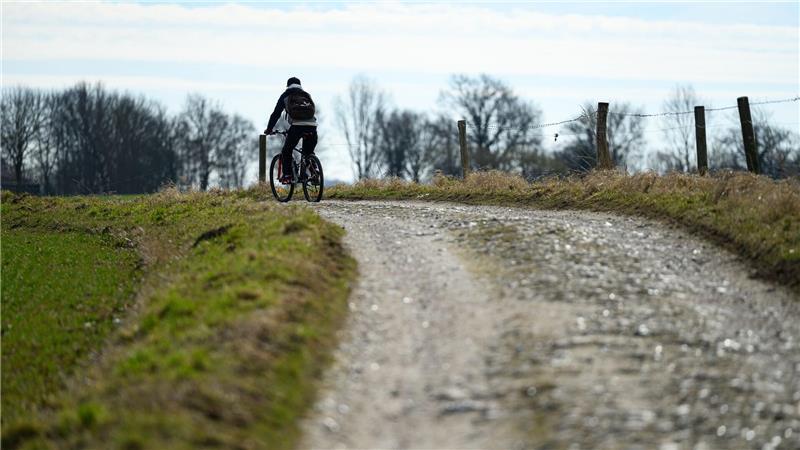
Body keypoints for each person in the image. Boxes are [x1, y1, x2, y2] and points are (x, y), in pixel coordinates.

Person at [264, 77, 318, 184]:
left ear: (288, 86)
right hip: (312, 126)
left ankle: (288, 175)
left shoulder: (285, 96)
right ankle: (314, 171)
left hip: (297, 127)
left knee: (286, 151)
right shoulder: (306, 95)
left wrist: (269, 129)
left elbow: (276, 114)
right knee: (308, 153)